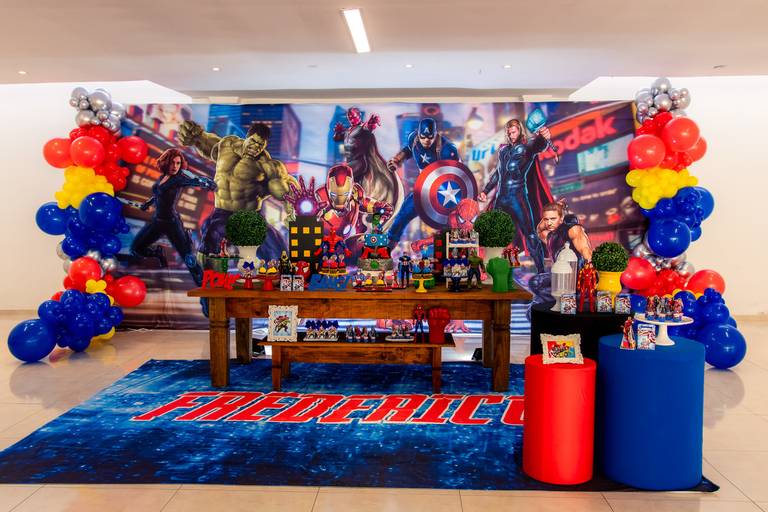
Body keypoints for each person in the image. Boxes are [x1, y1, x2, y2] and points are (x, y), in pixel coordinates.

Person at [178, 120, 295, 262]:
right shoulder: (227, 145)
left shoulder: (267, 165)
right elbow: (204, 142)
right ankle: (208, 273)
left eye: (260, 145)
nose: (255, 147)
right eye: (253, 141)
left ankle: (282, 272)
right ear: (247, 137)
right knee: (210, 246)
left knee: (278, 254)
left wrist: (292, 210)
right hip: (222, 213)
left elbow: (286, 192)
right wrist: (193, 135)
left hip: (249, 217)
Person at [130, 148, 215, 286]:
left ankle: (202, 279)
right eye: (172, 163)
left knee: (187, 255)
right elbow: (158, 195)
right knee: (136, 249)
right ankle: (158, 253)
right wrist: (147, 203)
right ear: (166, 163)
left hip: (172, 223)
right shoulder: (161, 178)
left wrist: (206, 182)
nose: (175, 166)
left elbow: (193, 181)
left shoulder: (178, 179)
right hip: (157, 222)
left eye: (178, 163)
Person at [478, 119, 553, 273]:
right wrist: (485, 191)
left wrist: (543, 137)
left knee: (530, 234)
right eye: (509, 132)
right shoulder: (503, 151)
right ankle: (492, 269)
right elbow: (498, 174)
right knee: (494, 234)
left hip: (517, 197)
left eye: (514, 132)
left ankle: (541, 271)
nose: (511, 135)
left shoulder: (526, 148)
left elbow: (538, 145)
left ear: (520, 131)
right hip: (501, 198)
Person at [386, 118, 460, 244]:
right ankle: (387, 248)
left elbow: (458, 174)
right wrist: (397, 160)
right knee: (403, 215)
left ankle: (452, 250)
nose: (426, 140)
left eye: (430, 137)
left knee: (450, 224)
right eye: (423, 137)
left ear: (435, 134)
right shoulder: (413, 139)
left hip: (445, 190)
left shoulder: (448, 149)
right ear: (418, 134)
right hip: (424, 187)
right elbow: (408, 149)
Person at [334, 107, 402, 229]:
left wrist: (372, 123)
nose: (352, 119)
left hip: (359, 162)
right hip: (351, 163)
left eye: (354, 117)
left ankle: (343, 207)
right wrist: (338, 132)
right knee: (351, 190)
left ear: (358, 116)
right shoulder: (348, 131)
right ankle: (353, 216)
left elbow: (368, 128)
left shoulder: (362, 128)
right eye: (350, 117)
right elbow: (337, 138)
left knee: (342, 174)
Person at [537, 200, 592, 266]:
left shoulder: (573, 230)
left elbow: (586, 252)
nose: (549, 223)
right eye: (546, 219)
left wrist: (590, 269)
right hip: (559, 271)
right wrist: (556, 206)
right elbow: (540, 230)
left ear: (561, 218)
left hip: (578, 271)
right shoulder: (549, 236)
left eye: (553, 219)